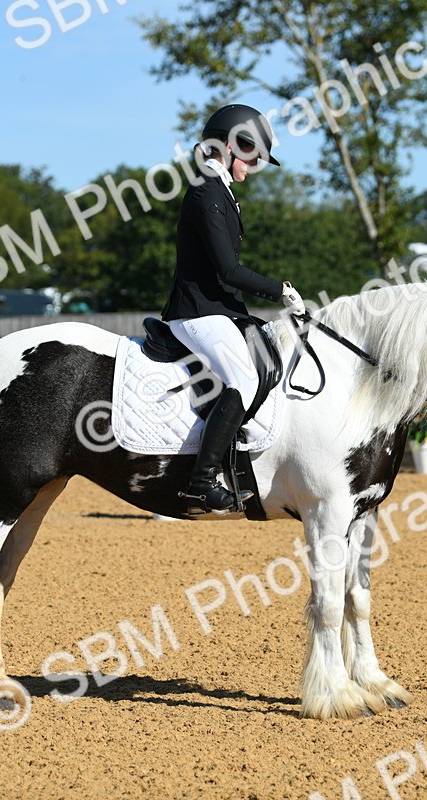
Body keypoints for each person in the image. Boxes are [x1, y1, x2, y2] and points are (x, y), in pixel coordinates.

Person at [161, 104, 306, 515]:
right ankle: (200, 483)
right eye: (251, 154)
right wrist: (280, 289)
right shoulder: (206, 190)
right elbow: (228, 269)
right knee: (241, 379)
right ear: (227, 146)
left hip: (220, 309)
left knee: (267, 360)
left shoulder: (221, 191)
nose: (254, 164)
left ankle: (236, 456)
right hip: (197, 312)